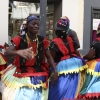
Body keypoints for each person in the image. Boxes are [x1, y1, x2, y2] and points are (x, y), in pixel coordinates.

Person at [1, 15, 58, 100]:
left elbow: (49, 57)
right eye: (33, 23)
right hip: (22, 74)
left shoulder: (43, 40)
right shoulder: (19, 39)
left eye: (37, 24)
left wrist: (55, 70)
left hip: (39, 74)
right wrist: (18, 52)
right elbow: (7, 53)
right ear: (27, 25)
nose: (36, 26)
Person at [48, 16, 87, 100]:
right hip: (76, 64)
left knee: (59, 88)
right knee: (73, 84)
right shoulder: (71, 38)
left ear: (55, 30)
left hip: (63, 66)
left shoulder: (54, 42)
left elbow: (51, 59)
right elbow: (76, 50)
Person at [78, 23, 100, 99]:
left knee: (87, 80)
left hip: (97, 65)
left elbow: (90, 56)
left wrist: (83, 57)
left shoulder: (97, 42)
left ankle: (86, 92)